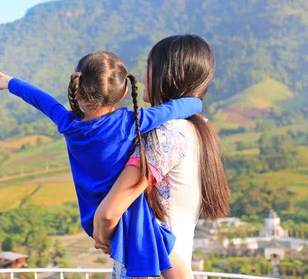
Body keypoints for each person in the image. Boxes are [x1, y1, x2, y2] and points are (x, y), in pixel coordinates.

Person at [0, 51, 201, 278]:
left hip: (93, 219)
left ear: (78, 92)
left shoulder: (68, 124)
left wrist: (11, 83)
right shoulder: (129, 122)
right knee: (163, 251)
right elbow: (173, 109)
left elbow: (42, 100)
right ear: (123, 92)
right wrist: (196, 102)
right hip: (125, 211)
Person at [93, 35, 231, 279]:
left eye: (148, 66)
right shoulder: (195, 131)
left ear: (167, 74)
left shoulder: (168, 134)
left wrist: (102, 235)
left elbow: (108, 212)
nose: (144, 74)